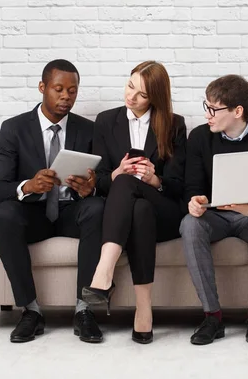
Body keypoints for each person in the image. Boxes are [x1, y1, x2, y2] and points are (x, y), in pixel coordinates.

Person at [0, 59, 105, 344]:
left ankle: (84, 309)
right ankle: (30, 311)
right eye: (59, 89)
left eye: (73, 91)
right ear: (42, 87)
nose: (66, 96)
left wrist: (90, 187)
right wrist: (29, 185)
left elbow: (102, 178)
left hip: (70, 211)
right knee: (4, 214)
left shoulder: (89, 130)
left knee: (97, 208)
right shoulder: (13, 129)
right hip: (33, 214)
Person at [82, 61, 186, 344]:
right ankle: (144, 309)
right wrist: (116, 172)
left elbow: (180, 187)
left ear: (155, 97)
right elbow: (100, 180)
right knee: (132, 198)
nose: (132, 97)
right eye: (130, 86)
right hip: (130, 213)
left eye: (141, 94)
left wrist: (155, 179)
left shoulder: (175, 125)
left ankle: (103, 273)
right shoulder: (106, 121)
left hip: (164, 210)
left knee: (132, 188)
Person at [179, 74, 248, 345]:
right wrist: (195, 201)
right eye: (206, 107)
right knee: (189, 225)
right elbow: (190, 185)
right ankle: (212, 316)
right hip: (214, 216)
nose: (208, 115)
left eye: (214, 109)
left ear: (238, 111)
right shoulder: (200, 137)